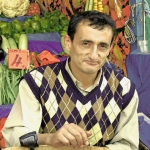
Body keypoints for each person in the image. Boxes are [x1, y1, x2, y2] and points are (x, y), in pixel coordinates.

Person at [2, 10, 139, 150]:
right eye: (86, 43)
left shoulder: (124, 89)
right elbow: (14, 137)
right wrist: (49, 138)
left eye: (102, 46)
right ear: (68, 43)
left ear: (110, 48)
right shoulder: (37, 82)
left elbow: (128, 145)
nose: (93, 54)